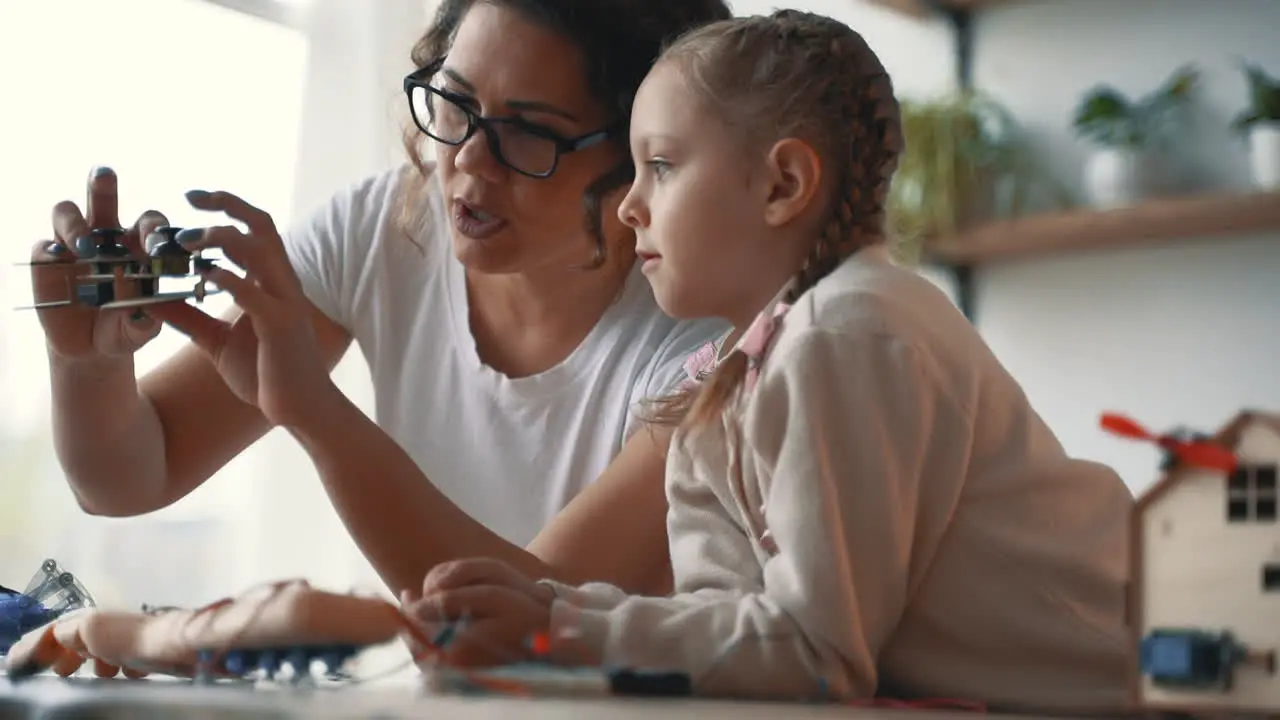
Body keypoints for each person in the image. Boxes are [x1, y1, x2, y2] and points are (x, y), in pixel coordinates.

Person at [404, 10, 1135, 713]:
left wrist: (557, 630)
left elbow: (817, 656)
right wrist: (546, 608)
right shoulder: (723, 384)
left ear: (783, 185)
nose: (629, 206)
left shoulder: (848, 329)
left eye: (660, 165)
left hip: (1162, 681)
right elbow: (729, 630)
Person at [29, 0, 733, 608]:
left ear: (645, 157)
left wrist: (314, 411)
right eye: (456, 103)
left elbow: (539, 621)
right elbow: (128, 476)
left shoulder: (712, 336)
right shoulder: (390, 226)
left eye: (529, 133)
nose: (468, 162)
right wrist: (87, 365)